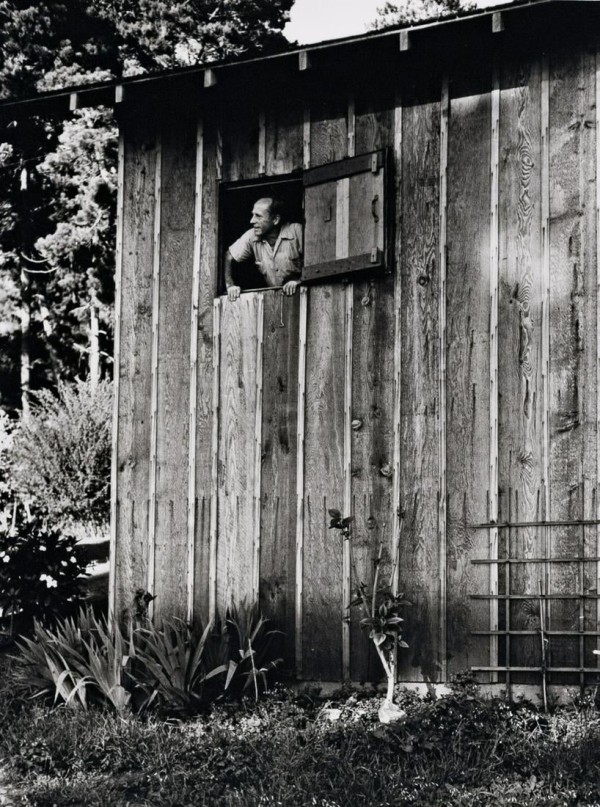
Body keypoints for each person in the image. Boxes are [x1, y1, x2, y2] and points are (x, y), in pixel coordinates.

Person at [225, 197, 303, 301]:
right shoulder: (252, 235)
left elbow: (316, 262)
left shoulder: (296, 231)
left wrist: (299, 281)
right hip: (275, 302)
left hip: (303, 297)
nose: (252, 221)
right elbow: (229, 255)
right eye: (253, 215)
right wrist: (230, 285)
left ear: (275, 220)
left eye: (258, 216)